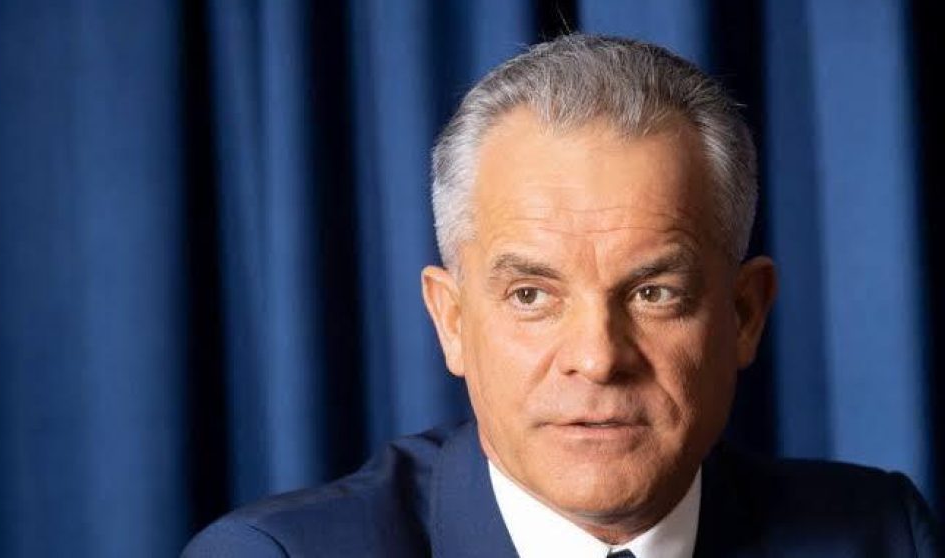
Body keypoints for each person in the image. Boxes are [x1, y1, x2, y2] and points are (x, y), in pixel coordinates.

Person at [183, 34, 941, 557]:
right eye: (530, 295)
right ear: (452, 321)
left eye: (653, 292)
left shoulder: (878, 537)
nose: (598, 359)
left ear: (745, 314)